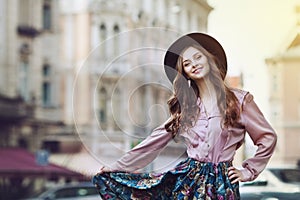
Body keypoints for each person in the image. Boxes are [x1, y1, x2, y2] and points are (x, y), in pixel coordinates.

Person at [92, 32, 277, 199]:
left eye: (198, 57)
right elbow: (153, 142)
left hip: (221, 185)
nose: (194, 64)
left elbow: (267, 137)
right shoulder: (187, 107)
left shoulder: (240, 100)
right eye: (187, 63)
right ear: (184, 73)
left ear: (210, 59)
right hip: (187, 183)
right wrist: (116, 167)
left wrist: (248, 171)